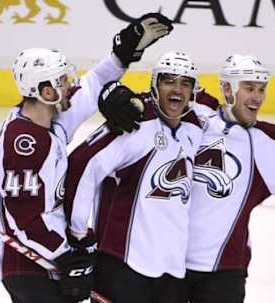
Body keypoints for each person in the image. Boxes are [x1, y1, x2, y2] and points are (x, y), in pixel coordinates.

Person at [100, 54, 275, 303]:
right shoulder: (194, 114)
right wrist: (117, 99)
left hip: (222, 274)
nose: (256, 97)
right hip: (166, 266)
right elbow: (157, 97)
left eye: (261, 89)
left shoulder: (269, 143)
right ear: (227, 88)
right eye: (249, 88)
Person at [0, 13, 173, 303]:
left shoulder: (49, 120)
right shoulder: (24, 143)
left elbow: (93, 83)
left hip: (49, 259)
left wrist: (122, 53)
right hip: (28, 266)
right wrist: (67, 254)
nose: (70, 85)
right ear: (46, 92)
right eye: (62, 81)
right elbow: (23, 218)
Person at [62, 51, 206, 303]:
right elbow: (82, 164)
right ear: (154, 85)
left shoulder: (194, 128)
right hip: (122, 265)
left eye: (185, 83)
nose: (177, 89)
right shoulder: (133, 122)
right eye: (168, 81)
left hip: (172, 271)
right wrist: (78, 236)